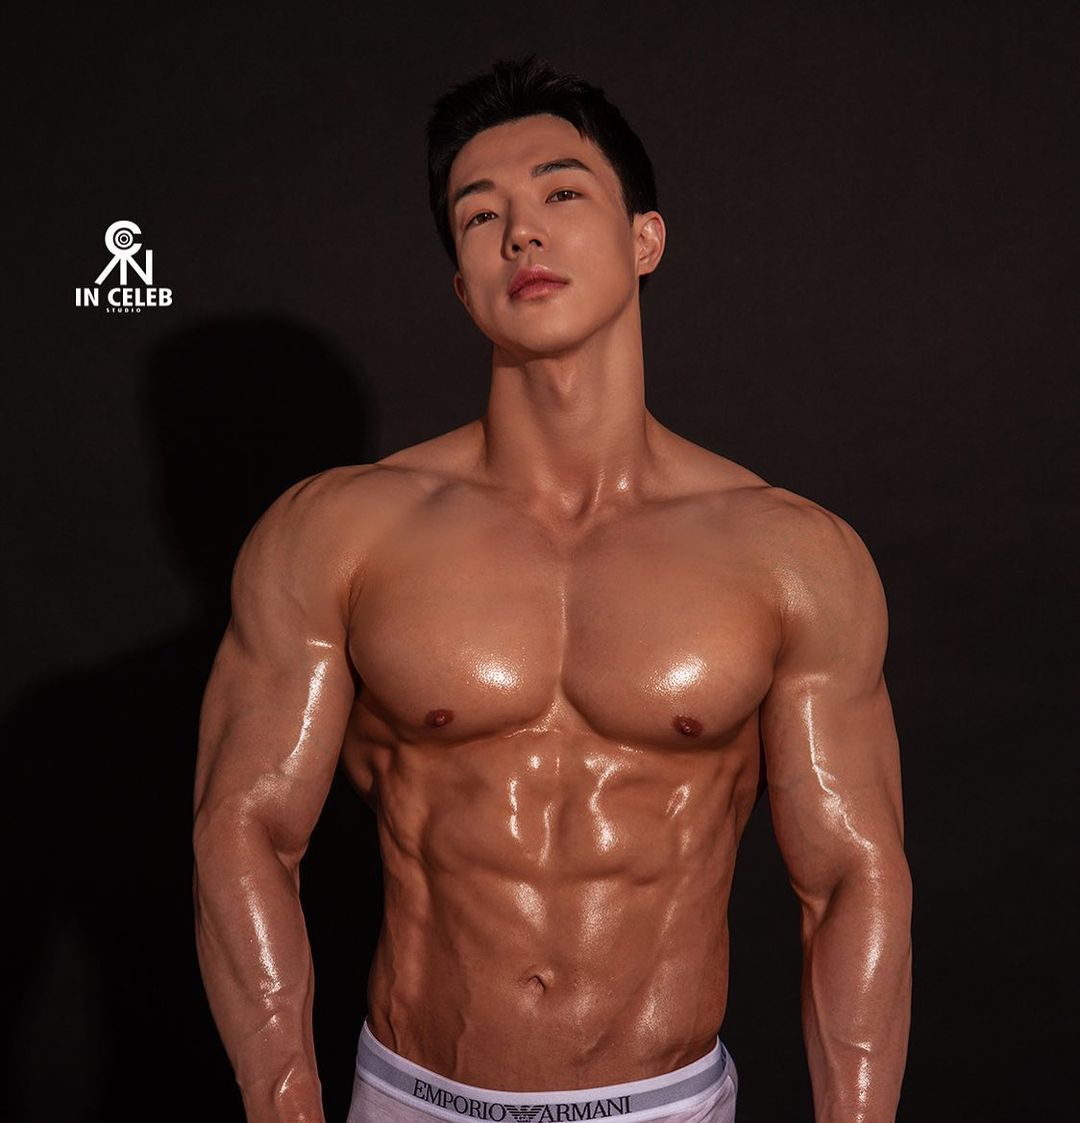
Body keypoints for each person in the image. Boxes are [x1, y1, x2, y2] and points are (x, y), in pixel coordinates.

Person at [193, 55, 912, 1123]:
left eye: (561, 193)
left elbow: (853, 874)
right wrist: (286, 1104)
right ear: (462, 282)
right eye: (480, 216)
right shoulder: (336, 532)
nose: (520, 233)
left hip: (664, 1103)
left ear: (645, 239)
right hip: (414, 1095)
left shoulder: (791, 554)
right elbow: (243, 824)